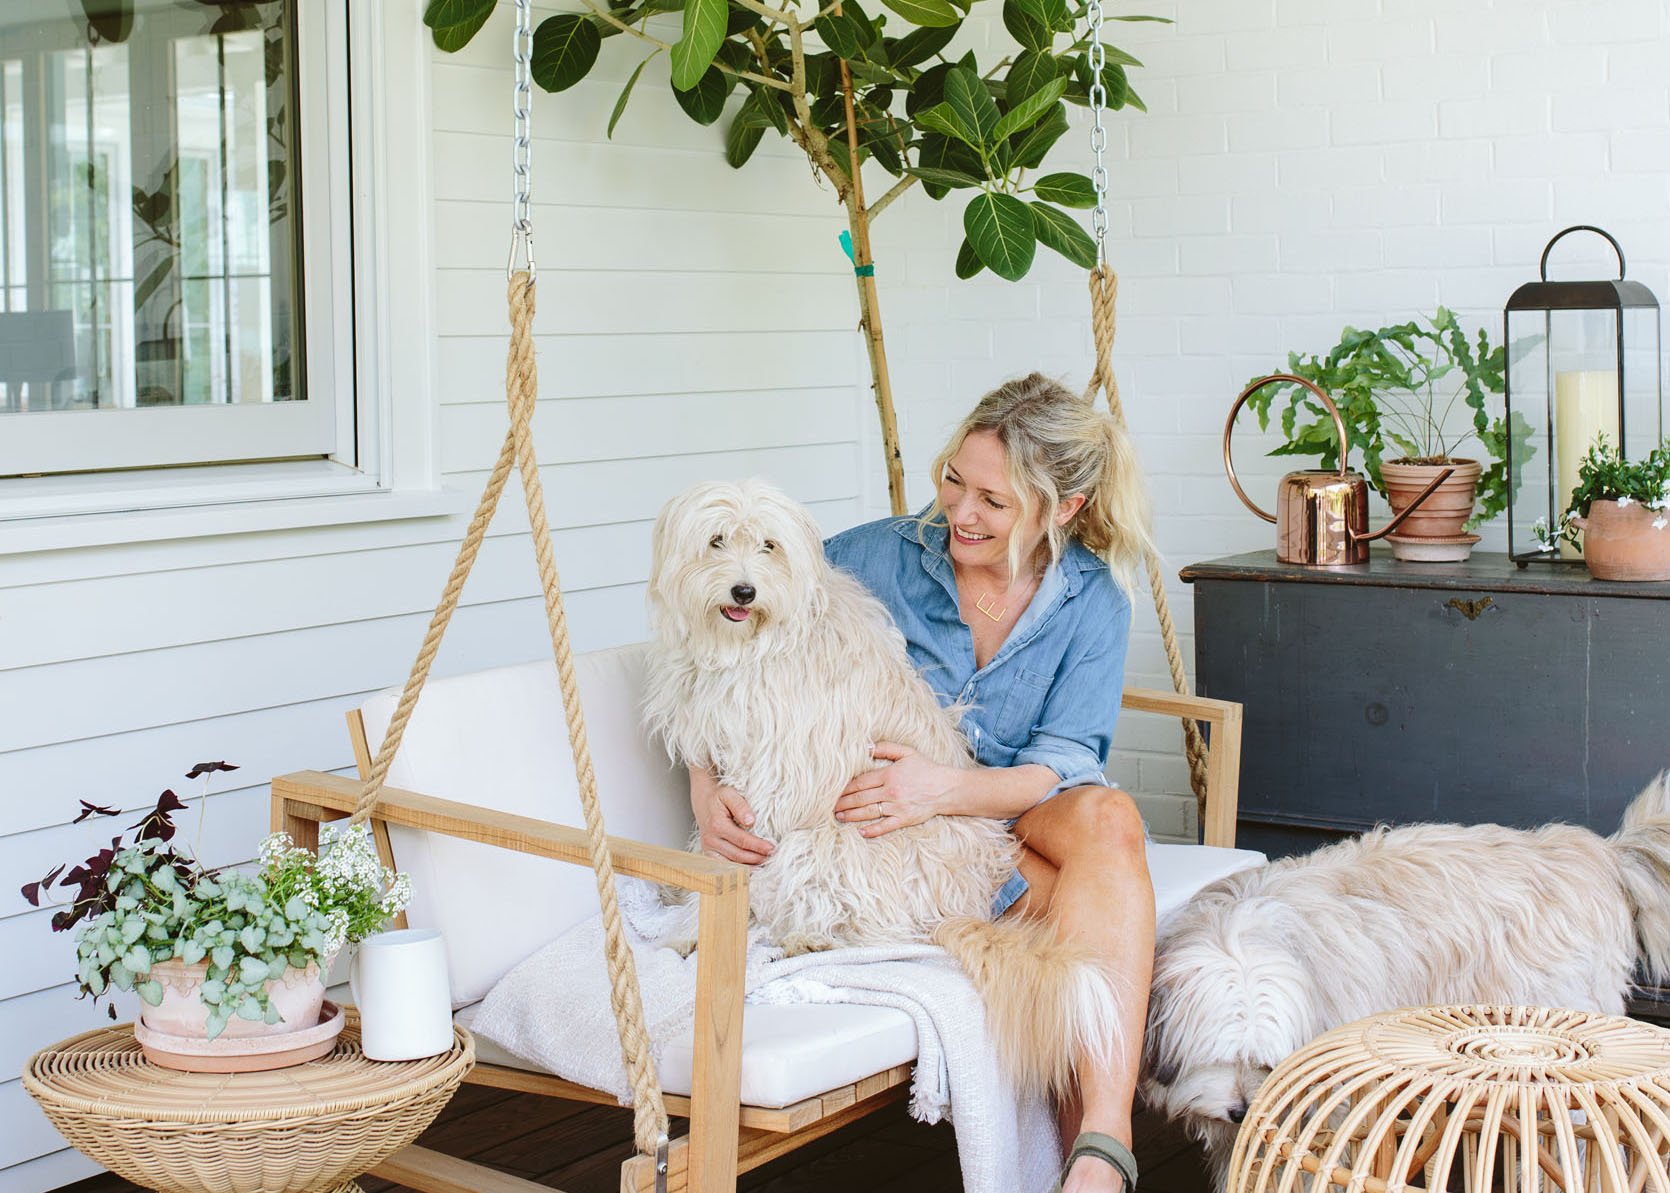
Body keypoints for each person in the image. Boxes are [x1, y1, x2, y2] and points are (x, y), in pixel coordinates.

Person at [688, 372, 1155, 1193]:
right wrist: (701, 777)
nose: (960, 513)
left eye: (993, 500)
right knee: (1072, 911)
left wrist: (944, 788)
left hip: (1016, 805)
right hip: (914, 841)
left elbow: (1064, 761)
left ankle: (1107, 1139)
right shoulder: (872, 555)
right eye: (953, 480)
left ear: (1064, 509)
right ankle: (1088, 1158)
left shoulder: (1094, 600)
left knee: (1111, 818)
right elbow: (727, 640)